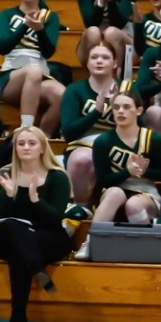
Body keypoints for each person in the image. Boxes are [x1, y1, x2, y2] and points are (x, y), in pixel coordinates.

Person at [0, 125, 74, 322]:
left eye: (31, 143)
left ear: (42, 147)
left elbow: (54, 219)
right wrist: (9, 195)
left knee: (20, 254)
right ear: (15, 148)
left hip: (46, 236)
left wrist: (36, 200)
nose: (26, 147)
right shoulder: (5, 174)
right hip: (11, 236)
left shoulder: (57, 177)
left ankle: (18, 318)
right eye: (21, 143)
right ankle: (36, 268)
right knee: (13, 229)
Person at [79, 92, 161, 253]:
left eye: (126, 107)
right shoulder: (102, 141)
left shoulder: (152, 139)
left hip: (145, 192)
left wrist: (144, 171)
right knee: (115, 192)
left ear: (139, 110)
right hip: (113, 192)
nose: (120, 111)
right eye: (116, 107)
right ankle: (90, 242)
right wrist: (127, 172)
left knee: (133, 205)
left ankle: (147, 249)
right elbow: (104, 180)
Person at [0, 0, 64, 133]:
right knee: (33, 71)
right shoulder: (6, 14)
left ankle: (43, 137)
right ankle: (26, 128)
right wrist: (25, 25)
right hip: (10, 78)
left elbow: (48, 52)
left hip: (40, 77)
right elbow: (2, 47)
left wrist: (40, 30)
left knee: (63, 95)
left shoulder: (50, 17)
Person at [61, 41, 123, 205]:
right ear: (87, 62)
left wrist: (118, 109)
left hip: (118, 146)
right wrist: (96, 112)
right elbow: (68, 133)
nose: (99, 61)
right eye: (94, 57)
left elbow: (140, 128)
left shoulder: (127, 89)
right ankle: (78, 208)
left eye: (105, 57)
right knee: (82, 159)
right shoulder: (74, 90)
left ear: (115, 63)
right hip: (82, 145)